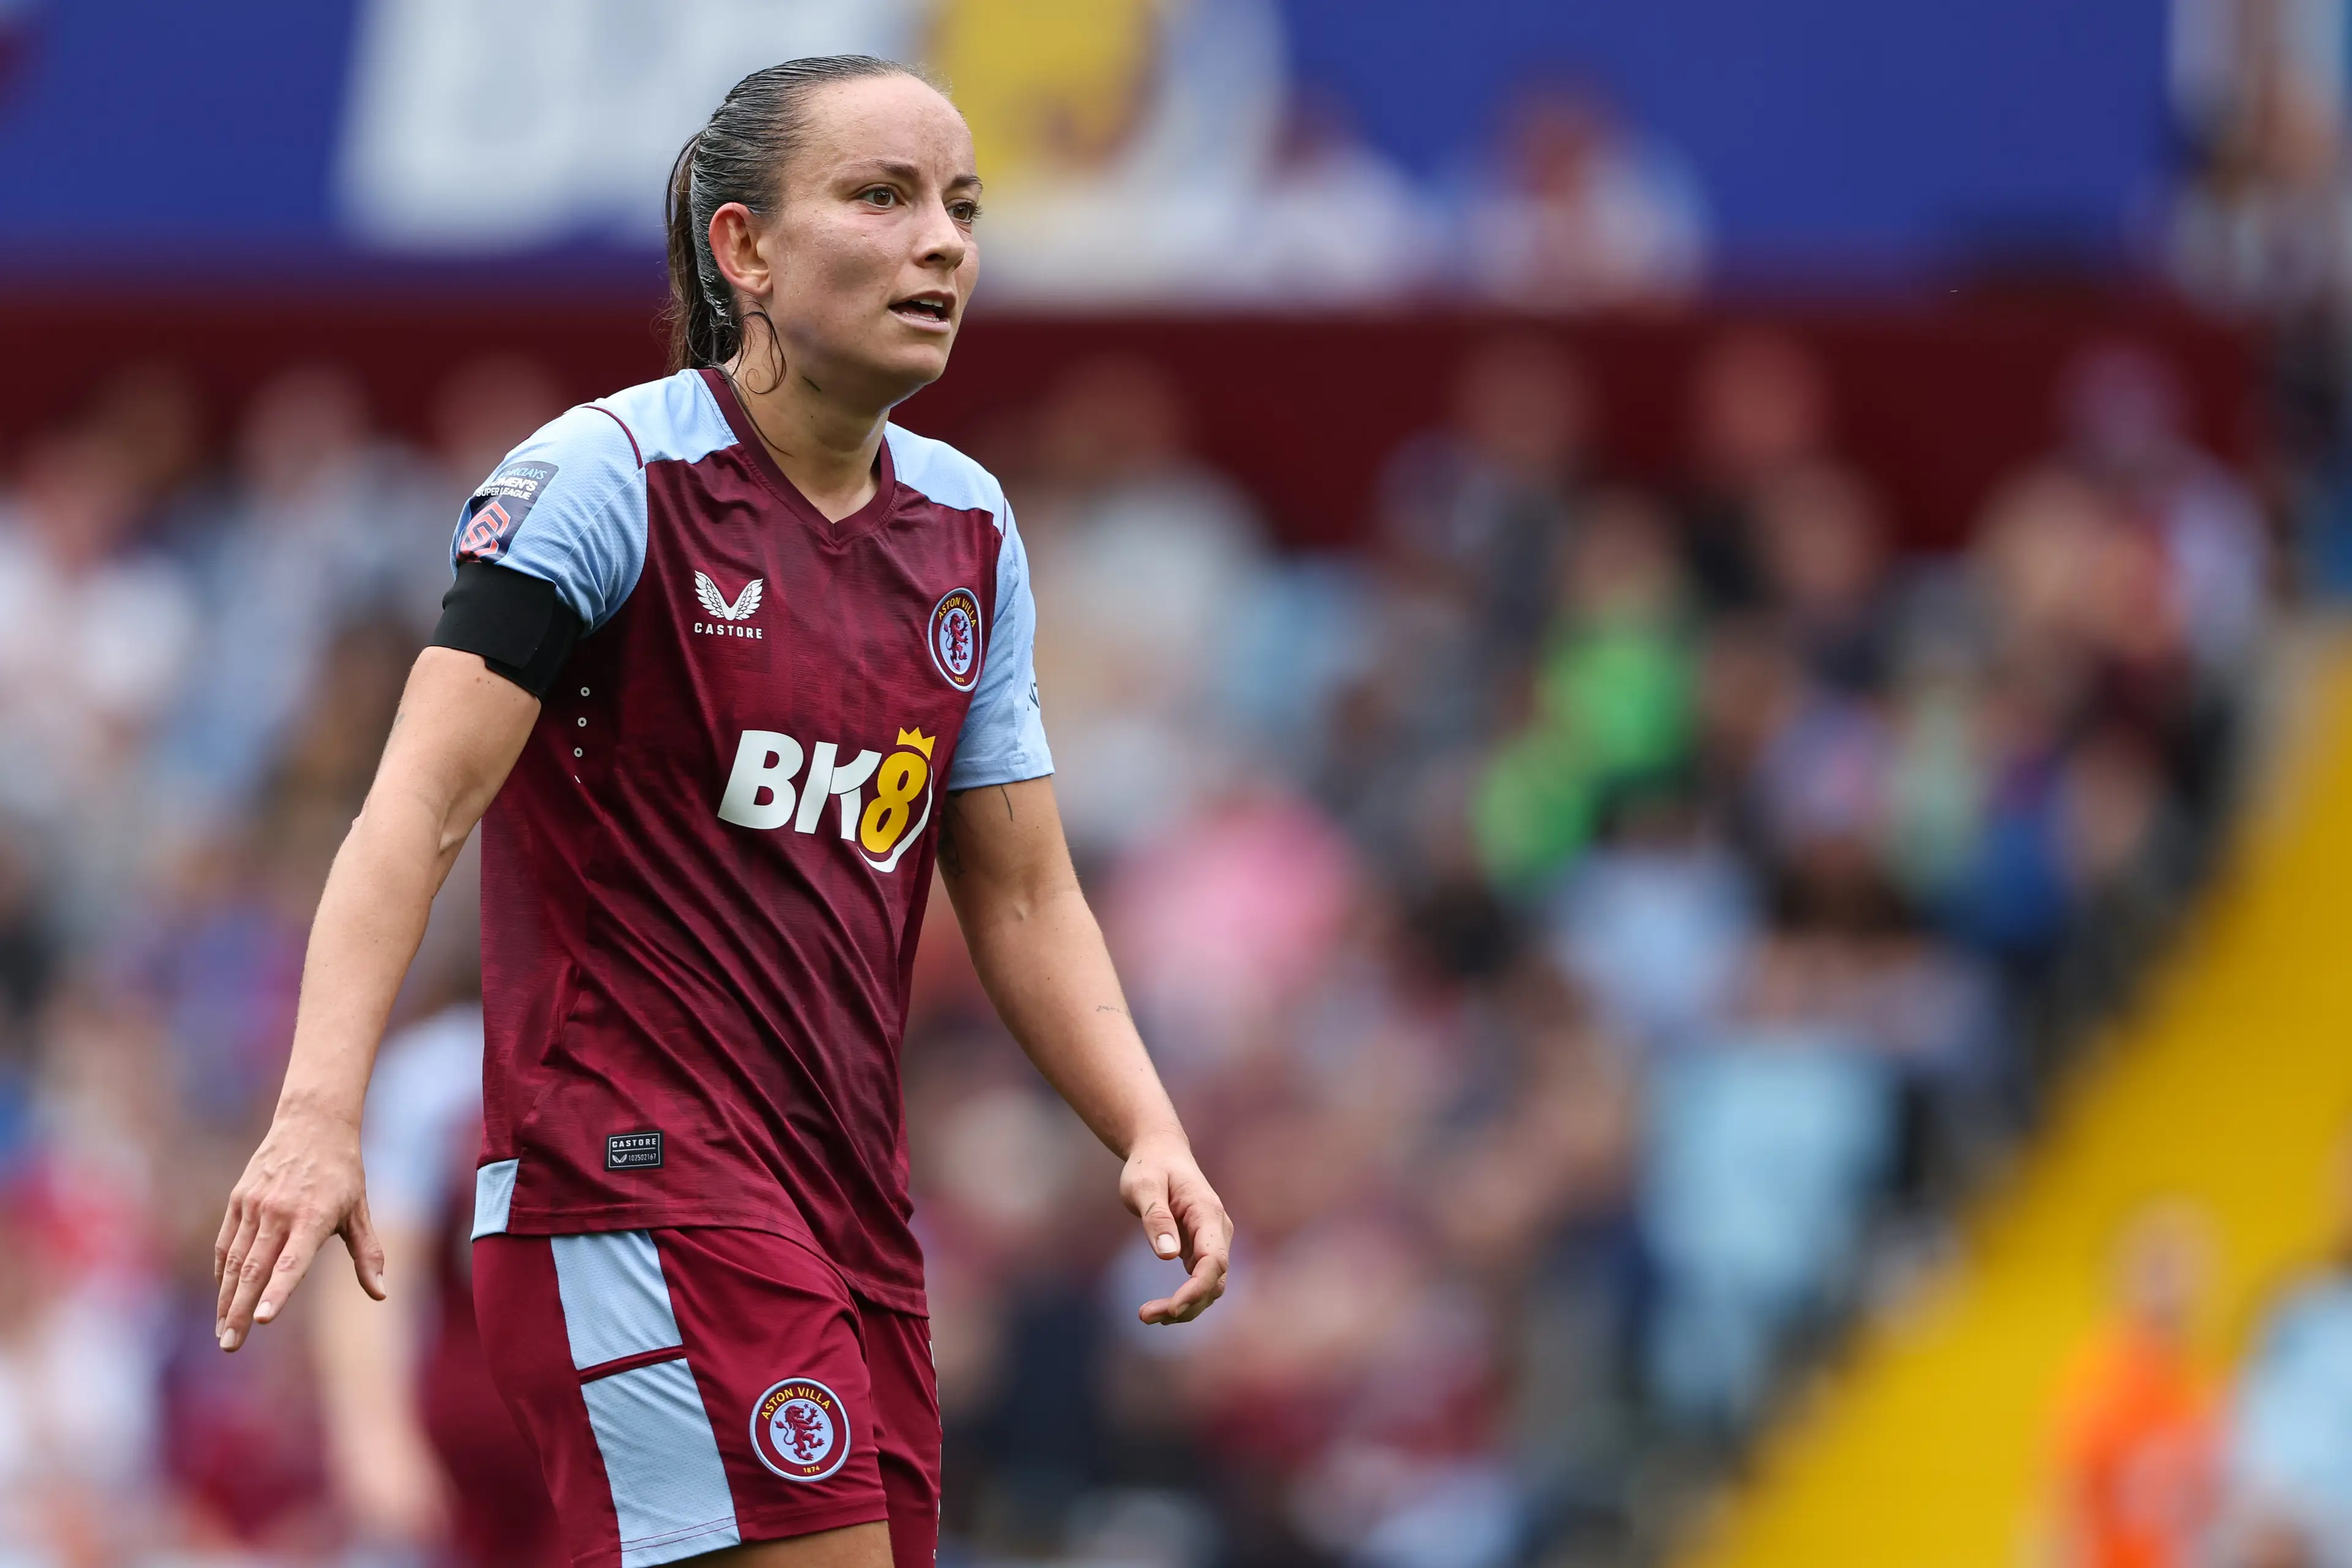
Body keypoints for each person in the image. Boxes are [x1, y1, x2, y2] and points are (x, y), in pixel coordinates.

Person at [209, 55, 1232, 1568]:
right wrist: (313, 1119)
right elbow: (416, 805)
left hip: (848, 1210)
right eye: (881, 199)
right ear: (742, 247)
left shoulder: (969, 526)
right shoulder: (606, 476)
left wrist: (1145, 1124)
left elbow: (1021, 893)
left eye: (960, 206)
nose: (941, 242)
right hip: (624, 1179)